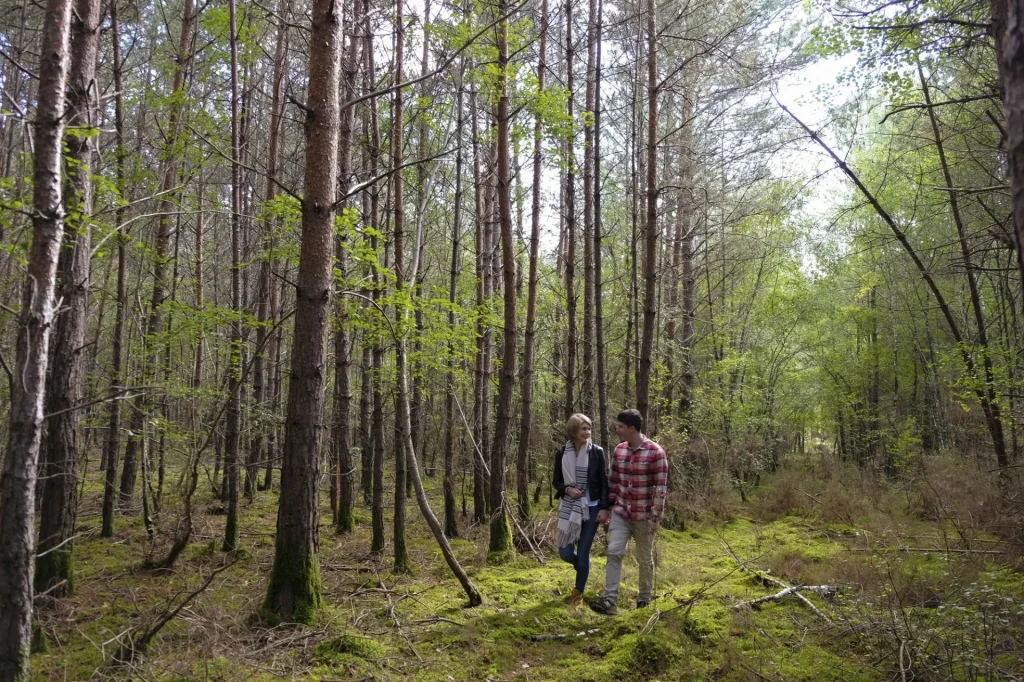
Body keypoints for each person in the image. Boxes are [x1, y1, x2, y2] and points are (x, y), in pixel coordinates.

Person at [589, 409, 668, 616]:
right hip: (621, 513)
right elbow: (613, 482)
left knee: (644, 559)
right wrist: (606, 510)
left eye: (620, 427)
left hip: (644, 516)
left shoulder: (656, 452)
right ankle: (610, 601)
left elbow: (661, 488)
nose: (617, 430)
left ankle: (644, 600)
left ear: (631, 429)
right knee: (614, 552)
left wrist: (655, 518)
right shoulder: (619, 451)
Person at [553, 413, 609, 607]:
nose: (587, 432)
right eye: (583, 428)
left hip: (592, 508)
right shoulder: (562, 453)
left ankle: (578, 595)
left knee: (583, 551)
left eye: (589, 428)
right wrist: (567, 489)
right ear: (573, 431)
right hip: (569, 507)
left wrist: (604, 508)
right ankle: (583, 568)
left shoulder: (597, 452)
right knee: (565, 553)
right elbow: (556, 481)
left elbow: (603, 481)